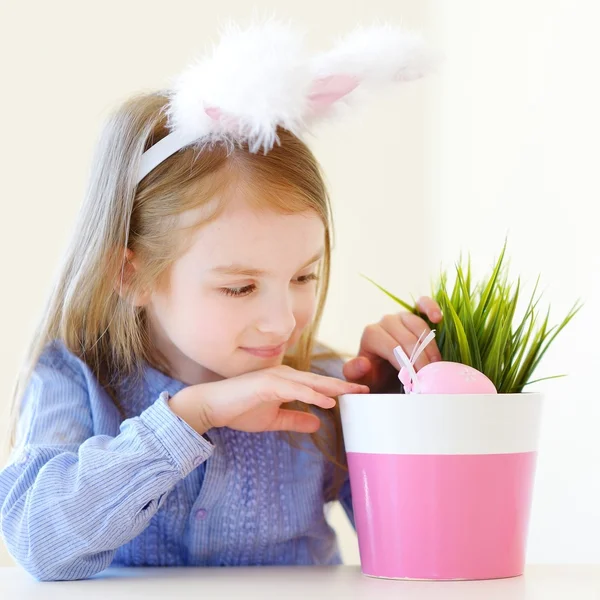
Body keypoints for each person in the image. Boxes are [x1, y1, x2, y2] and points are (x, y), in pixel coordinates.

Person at [0, 21, 442, 581]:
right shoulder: (76, 379)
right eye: (240, 287)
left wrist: (394, 411)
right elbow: (39, 541)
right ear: (130, 275)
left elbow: (422, 560)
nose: (284, 321)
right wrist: (193, 414)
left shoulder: (320, 389)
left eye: (304, 277)